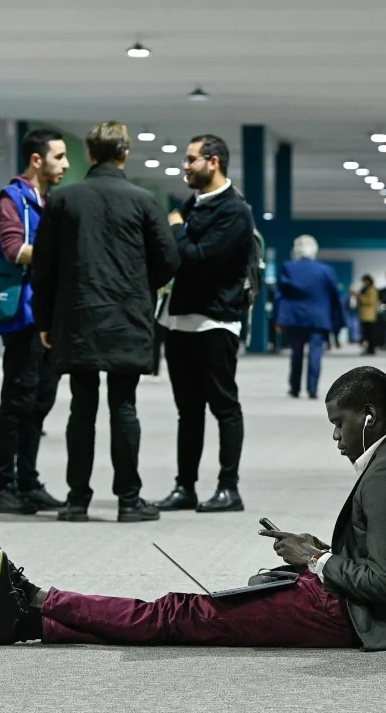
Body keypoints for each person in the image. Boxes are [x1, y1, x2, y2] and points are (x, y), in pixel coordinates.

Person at [0, 365, 386, 651]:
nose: (336, 437)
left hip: (351, 616)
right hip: (343, 603)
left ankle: (36, 598)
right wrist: (321, 550)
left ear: (370, 415)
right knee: (191, 614)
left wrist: (316, 560)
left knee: (178, 614)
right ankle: (28, 622)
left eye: (340, 424)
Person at [31, 121, 180, 523]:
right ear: (124, 155)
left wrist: (45, 319)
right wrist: (137, 285)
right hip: (127, 317)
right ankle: (129, 501)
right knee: (124, 408)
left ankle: (77, 500)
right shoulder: (144, 201)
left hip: (77, 315)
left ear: (91, 155)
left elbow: (42, 267)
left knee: (81, 407)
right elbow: (168, 262)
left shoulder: (63, 200)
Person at [153, 135, 255, 515]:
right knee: (188, 411)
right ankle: (186, 487)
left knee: (225, 408)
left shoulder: (235, 211)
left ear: (213, 162)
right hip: (179, 321)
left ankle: (229, 488)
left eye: (191, 159)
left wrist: (177, 228)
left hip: (216, 322)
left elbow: (195, 259)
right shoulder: (193, 204)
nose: (185, 166)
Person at [0, 129, 69, 516]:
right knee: (17, 401)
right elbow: (14, 249)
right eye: (59, 157)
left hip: (46, 316)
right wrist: (62, 251)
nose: (66, 164)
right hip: (22, 317)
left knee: (40, 401)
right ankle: (4, 486)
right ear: (38, 160)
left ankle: (28, 481)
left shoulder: (46, 199)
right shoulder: (12, 198)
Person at [275, 235, 344, 400]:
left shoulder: (288, 267)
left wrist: (279, 318)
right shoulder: (326, 270)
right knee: (315, 354)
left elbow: (281, 295)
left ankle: (295, 388)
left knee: (296, 353)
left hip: (295, 318)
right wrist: (337, 320)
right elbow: (335, 295)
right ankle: (312, 389)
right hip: (319, 319)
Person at [358, 275, 380, 355]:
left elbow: (371, 301)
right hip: (364, 315)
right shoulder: (365, 290)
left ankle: (371, 349)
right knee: (366, 334)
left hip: (370, 315)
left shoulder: (372, 290)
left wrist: (360, 297)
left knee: (371, 334)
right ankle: (369, 348)